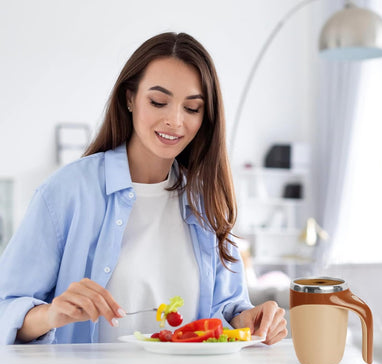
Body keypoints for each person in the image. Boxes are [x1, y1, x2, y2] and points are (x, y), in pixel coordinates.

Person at [0, 32, 287, 345]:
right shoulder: (66, 193)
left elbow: (226, 308)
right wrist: (52, 314)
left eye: (192, 108)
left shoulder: (206, 201)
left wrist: (250, 319)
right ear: (129, 98)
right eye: (159, 102)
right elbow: (6, 308)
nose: (175, 121)